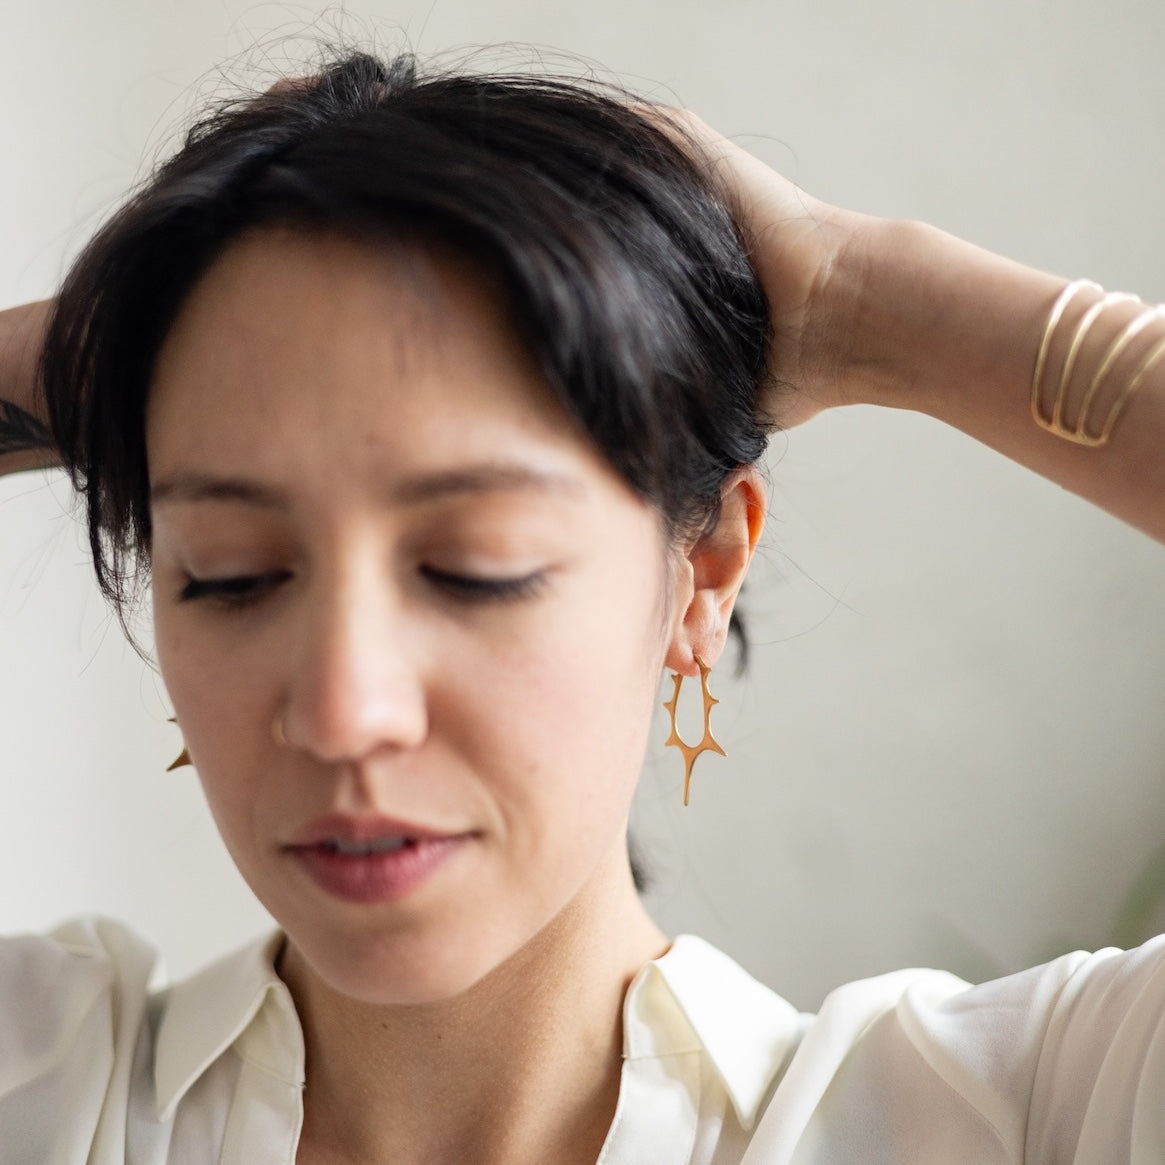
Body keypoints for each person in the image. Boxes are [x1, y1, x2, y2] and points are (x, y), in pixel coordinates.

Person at [0, 49, 1163, 1165]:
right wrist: (136, 333)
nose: (342, 711)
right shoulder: (45, 1097)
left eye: (474, 566)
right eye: (232, 573)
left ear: (701, 571)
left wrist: (863, 301)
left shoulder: (1017, 1118)